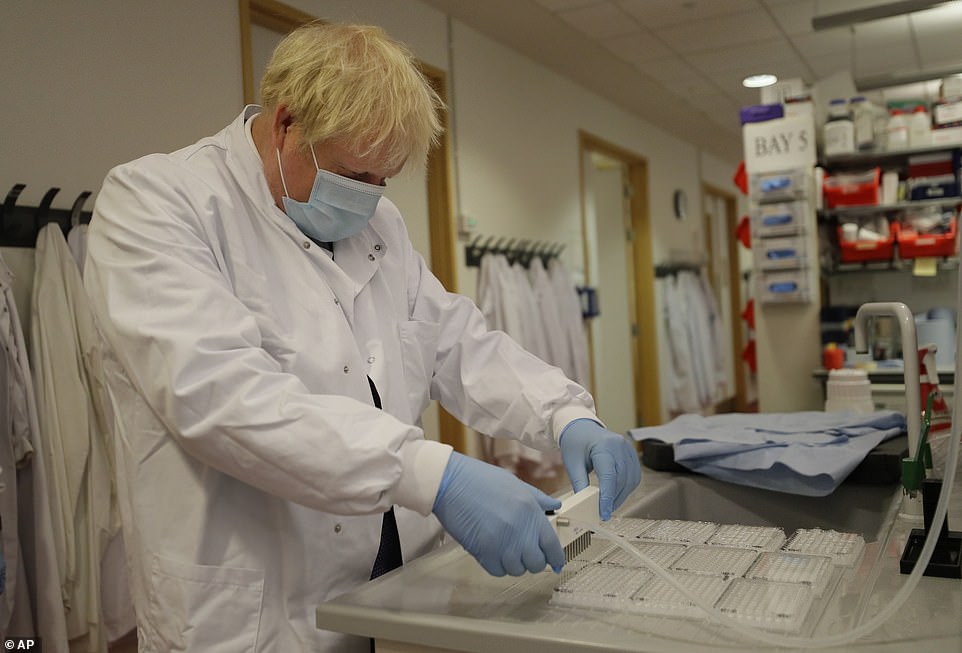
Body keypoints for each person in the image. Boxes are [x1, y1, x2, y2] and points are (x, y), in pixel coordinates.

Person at [83, 20, 641, 652]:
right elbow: (220, 397)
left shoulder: (377, 221)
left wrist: (563, 413)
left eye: (385, 180)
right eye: (355, 176)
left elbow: (453, 339)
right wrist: (438, 477)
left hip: (396, 582)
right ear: (287, 122)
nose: (371, 199)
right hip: (260, 611)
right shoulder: (157, 203)